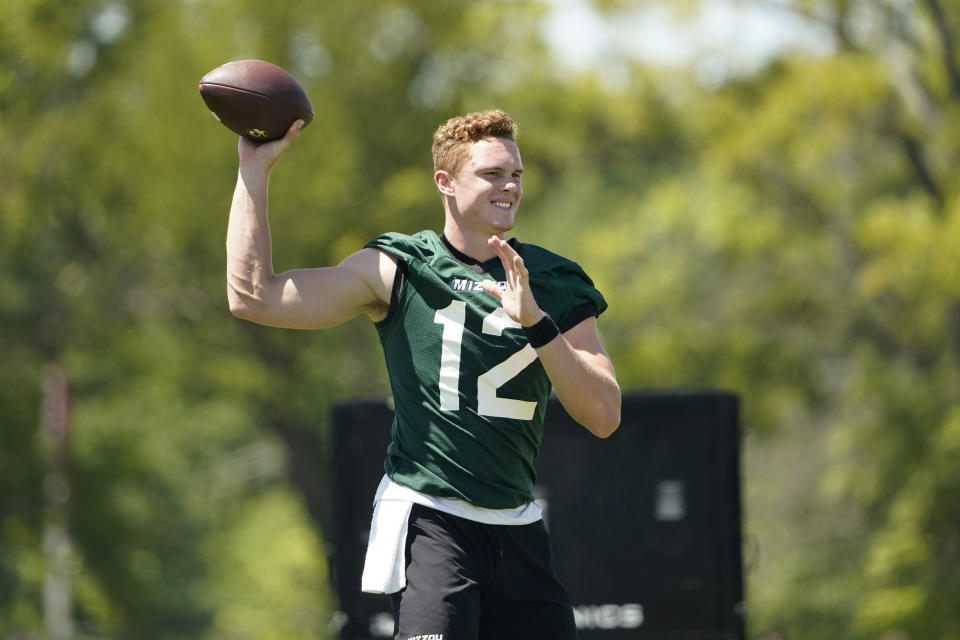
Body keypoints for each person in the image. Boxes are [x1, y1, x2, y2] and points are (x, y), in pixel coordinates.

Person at [225, 109, 621, 640]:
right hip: (431, 517)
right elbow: (253, 297)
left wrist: (537, 323)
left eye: (515, 175)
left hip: (518, 527)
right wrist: (254, 172)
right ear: (446, 183)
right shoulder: (400, 265)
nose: (509, 187)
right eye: (491, 174)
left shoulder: (554, 280)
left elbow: (602, 416)